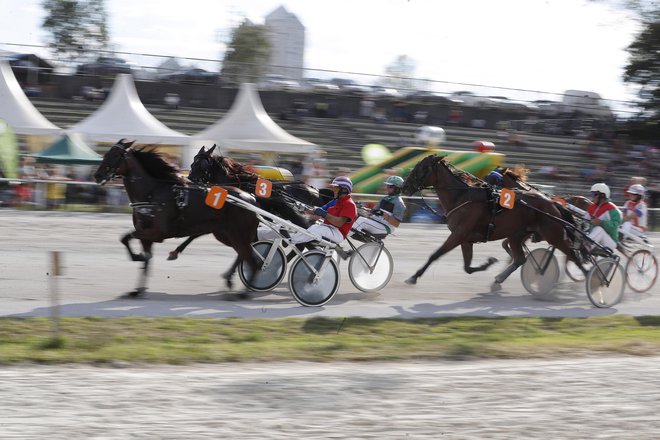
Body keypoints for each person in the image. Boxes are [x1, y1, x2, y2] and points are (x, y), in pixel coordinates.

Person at [258, 176, 357, 245]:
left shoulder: (350, 205)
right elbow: (317, 210)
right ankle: (259, 234)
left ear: (344, 190)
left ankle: (291, 240)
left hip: (337, 233)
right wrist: (302, 208)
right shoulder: (335, 201)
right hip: (327, 227)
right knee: (290, 224)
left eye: (335, 188)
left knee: (315, 229)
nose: (333, 190)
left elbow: (339, 223)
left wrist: (324, 214)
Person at [584, 183, 622, 254]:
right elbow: (585, 221)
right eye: (592, 194)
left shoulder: (612, 209)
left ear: (602, 196)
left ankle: (586, 247)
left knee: (599, 229)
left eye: (594, 195)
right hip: (595, 240)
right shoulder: (591, 207)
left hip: (610, 242)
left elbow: (615, 225)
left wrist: (601, 223)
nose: (592, 197)